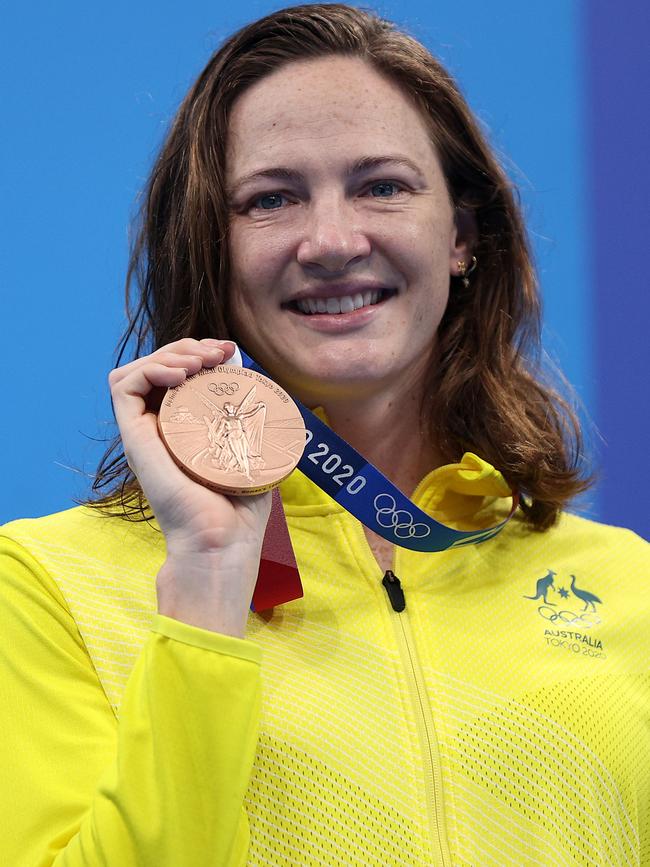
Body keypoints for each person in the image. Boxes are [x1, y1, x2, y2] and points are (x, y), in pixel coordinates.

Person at [1, 4, 648, 865]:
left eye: (382, 185)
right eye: (271, 199)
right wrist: (203, 585)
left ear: (460, 234)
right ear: (209, 247)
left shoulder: (626, 584)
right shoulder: (49, 588)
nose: (333, 241)